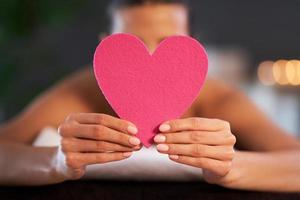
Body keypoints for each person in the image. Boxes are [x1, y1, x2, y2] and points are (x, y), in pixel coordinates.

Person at [0, 0, 300, 191]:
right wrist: (55, 162)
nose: (151, 58)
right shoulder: (82, 91)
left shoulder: (217, 98)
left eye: (167, 43)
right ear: (106, 45)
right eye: (133, 43)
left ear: (191, 45)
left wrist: (233, 167)